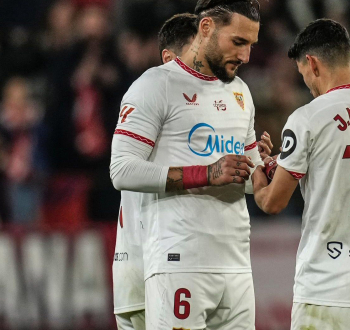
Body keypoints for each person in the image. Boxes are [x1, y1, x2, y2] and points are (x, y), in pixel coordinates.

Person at [110, 1, 263, 329]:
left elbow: (249, 178)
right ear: (206, 29)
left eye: (251, 45)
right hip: (178, 259)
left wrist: (273, 166)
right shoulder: (155, 85)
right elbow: (121, 169)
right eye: (238, 42)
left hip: (235, 264)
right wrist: (207, 173)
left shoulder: (240, 91)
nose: (246, 56)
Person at [252, 19, 350, 330]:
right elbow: (349, 170)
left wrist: (259, 171)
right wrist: (282, 163)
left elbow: (272, 203)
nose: (308, 85)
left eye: (303, 76)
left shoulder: (308, 117)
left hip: (328, 292)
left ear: (311, 64)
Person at [112, 13, 198, 330]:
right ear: (169, 58)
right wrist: (203, 174)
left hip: (150, 260)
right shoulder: (152, 91)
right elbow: (120, 170)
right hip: (152, 261)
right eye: (196, 55)